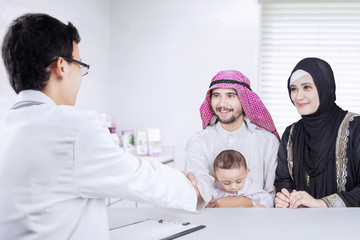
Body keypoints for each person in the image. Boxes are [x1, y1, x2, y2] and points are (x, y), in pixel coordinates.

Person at [0, 13, 201, 240]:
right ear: (61, 66)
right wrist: (192, 190)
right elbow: (136, 177)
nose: (80, 77)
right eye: (79, 66)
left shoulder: (8, 126)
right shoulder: (73, 126)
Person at [185, 70, 280, 208]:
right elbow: (199, 193)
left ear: (244, 100)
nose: (222, 103)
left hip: (258, 223)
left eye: (231, 96)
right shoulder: (198, 142)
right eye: (216, 95)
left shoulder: (268, 141)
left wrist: (239, 202)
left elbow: (273, 196)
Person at [274, 57, 360, 208]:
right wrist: (284, 198)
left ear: (325, 87)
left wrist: (321, 203)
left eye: (307, 87)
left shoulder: (355, 128)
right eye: (293, 89)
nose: (298, 96)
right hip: (301, 226)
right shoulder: (291, 134)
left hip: (348, 227)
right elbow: (283, 181)